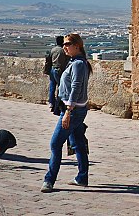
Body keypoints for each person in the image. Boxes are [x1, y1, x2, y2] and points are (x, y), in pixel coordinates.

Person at [42, 33, 92, 192]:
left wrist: (69, 111)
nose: (65, 46)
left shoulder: (77, 64)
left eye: (68, 44)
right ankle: (82, 177)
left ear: (77, 46)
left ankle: (49, 180)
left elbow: (76, 87)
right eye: (64, 44)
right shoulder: (76, 62)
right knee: (78, 144)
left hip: (73, 111)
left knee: (55, 144)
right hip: (77, 109)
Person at [48, 36, 70, 114]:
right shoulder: (63, 50)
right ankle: (58, 105)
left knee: (52, 87)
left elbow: (49, 59)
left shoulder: (53, 49)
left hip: (52, 69)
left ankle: (51, 103)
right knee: (61, 87)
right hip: (59, 70)